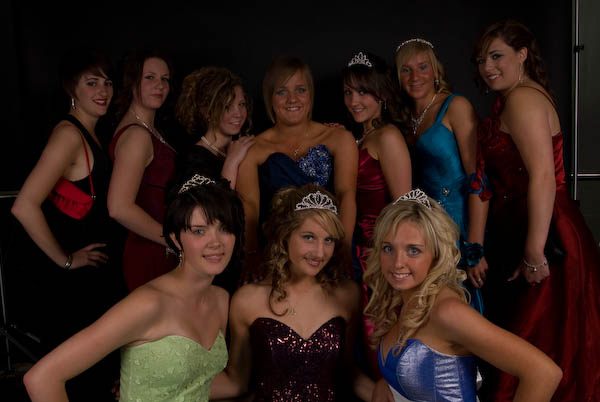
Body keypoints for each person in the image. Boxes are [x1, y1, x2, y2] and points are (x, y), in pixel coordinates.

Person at [24, 175, 244, 402]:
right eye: (199, 231)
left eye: (225, 228)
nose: (216, 242)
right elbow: (42, 378)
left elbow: (202, 385)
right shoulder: (148, 304)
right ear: (176, 239)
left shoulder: (220, 299)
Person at [472, 20, 600, 401]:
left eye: (497, 56)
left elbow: (543, 176)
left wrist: (534, 252)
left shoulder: (523, 100)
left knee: (538, 342)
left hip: (546, 232)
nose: (487, 67)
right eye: (481, 60)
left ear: (522, 54)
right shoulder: (517, 97)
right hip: (534, 226)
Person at [365, 189, 562, 402]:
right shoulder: (404, 299)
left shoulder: (448, 312)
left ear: (436, 254)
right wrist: (386, 385)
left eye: (413, 250)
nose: (397, 263)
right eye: (388, 248)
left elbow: (544, 373)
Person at [11, 48, 121, 400]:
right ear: (71, 89)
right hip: (74, 288)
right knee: (80, 380)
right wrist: (67, 260)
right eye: (92, 83)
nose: (103, 90)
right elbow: (24, 205)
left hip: (92, 280)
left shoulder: (91, 132)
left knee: (95, 376)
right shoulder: (69, 135)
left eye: (107, 82)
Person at [211, 184, 374, 401]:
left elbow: (346, 374)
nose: (320, 253)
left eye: (328, 240)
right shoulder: (247, 300)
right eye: (309, 237)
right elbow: (237, 383)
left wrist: (390, 396)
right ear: (285, 235)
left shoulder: (347, 295)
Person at [236, 56, 358, 277]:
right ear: (270, 97)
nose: (292, 99)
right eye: (282, 92)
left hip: (327, 249)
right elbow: (250, 208)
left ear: (310, 94)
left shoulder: (339, 138)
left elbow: (346, 194)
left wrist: (343, 248)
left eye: (300, 90)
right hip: (277, 253)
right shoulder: (253, 148)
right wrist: (251, 254)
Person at [395, 38, 487, 313]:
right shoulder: (405, 118)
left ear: (436, 70)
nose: (415, 76)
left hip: (460, 224)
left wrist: (475, 246)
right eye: (406, 70)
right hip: (426, 227)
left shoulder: (456, 106)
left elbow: (479, 179)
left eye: (423, 67)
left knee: (459, 304)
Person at [342, 51, 411, 378]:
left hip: (379, 258)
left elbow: (403, 208)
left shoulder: (388, 136)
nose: (354, 101)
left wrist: (389, 261)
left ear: (380, 93)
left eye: (363, 92)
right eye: (348, 92)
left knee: (379, 345)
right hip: (357, 254)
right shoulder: (358, 137)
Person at [108, 49, 177, 292]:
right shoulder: (136, 135)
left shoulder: (148, 130)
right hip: (150, 251)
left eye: (165, 79)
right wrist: (172, 240)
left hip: (161, 249)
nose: (160, 85)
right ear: (132, 82)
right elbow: (119, 207)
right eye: (150, 77)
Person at [175, 66, 255, 189]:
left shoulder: (242, 146)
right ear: (207, 111)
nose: (238, 114)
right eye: (227, 106)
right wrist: (231, 162)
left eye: (241, 104)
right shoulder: (193, 161)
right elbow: (215, 201)